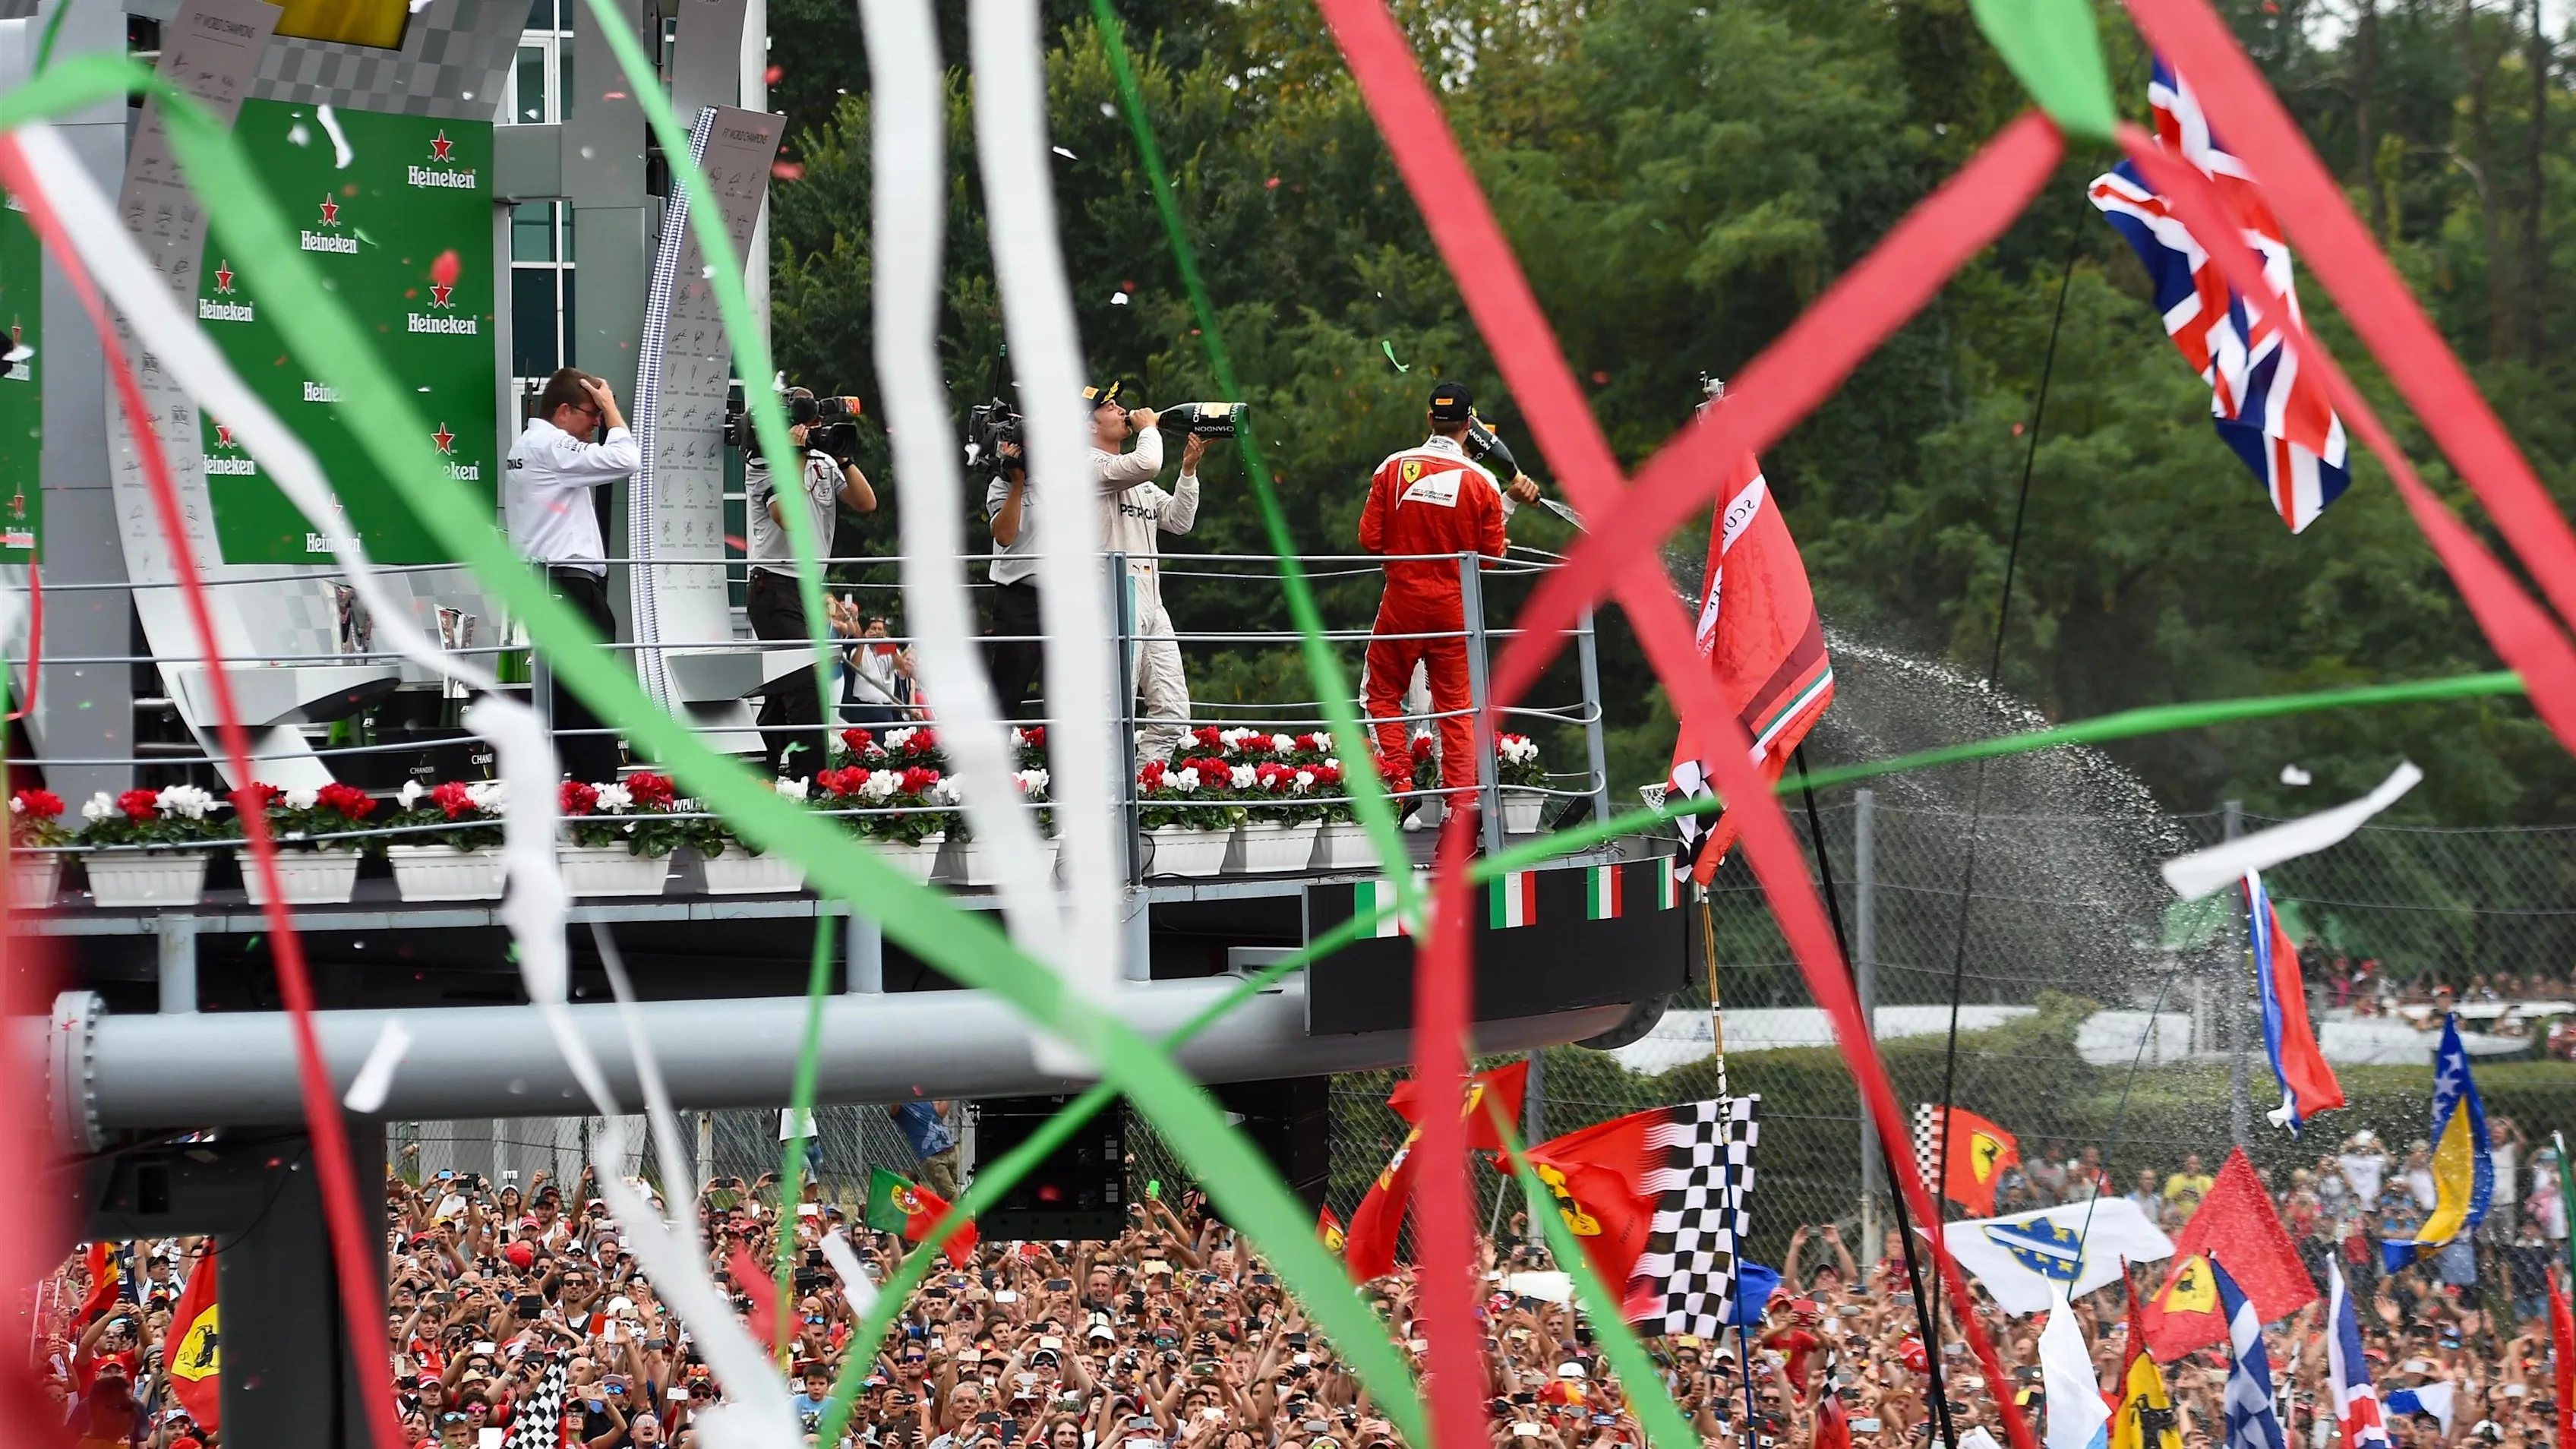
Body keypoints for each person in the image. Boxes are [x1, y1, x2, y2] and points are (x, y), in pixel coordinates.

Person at [1357, 381, 1537, 826]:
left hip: (1401, 602)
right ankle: (1461, 807)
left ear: (1428, 417)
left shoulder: (1392, 467)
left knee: (1381, 694)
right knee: (1455, 707)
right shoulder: (1483, 482)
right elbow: (1491, 559)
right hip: (1454, 610)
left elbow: (1369, 540)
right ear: (1470, 423)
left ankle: (1399, 785)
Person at [504, 367, 641, 784]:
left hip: (553, 584)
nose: (597, 423)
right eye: (592, 413)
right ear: (563, 411)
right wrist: (613, 406)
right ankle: (597, 796)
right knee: (589, 697)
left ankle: (574, 797)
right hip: (566, 583)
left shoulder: (534, 445)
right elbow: (627, 458)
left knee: (567, 700)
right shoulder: (551, 445)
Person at [744, 388, 879, 779]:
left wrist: (843, 458)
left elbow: (866, 503)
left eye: (817, 424)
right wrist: (794, 457)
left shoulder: (822, 462)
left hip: (807, 589)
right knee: (805, 687)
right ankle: (813, 782)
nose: (815, 432)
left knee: (783, 690)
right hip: (775, 586)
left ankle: (760, 776)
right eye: (807, 425)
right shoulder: (763, 465)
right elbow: (788, 517)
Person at [1095, 393, 1206, 764]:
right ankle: (1110, 804)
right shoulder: (1087, 463)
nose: (1122, 411)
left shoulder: (1136, 476)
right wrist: (1149, 428)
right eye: (1110, 408)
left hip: (1151, 601)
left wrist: (1188, 470)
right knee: (1115, 711)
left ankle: (1143, 791)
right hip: (1113, 597)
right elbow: (1148, 462)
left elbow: (1178, 520)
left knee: (1173, 711)